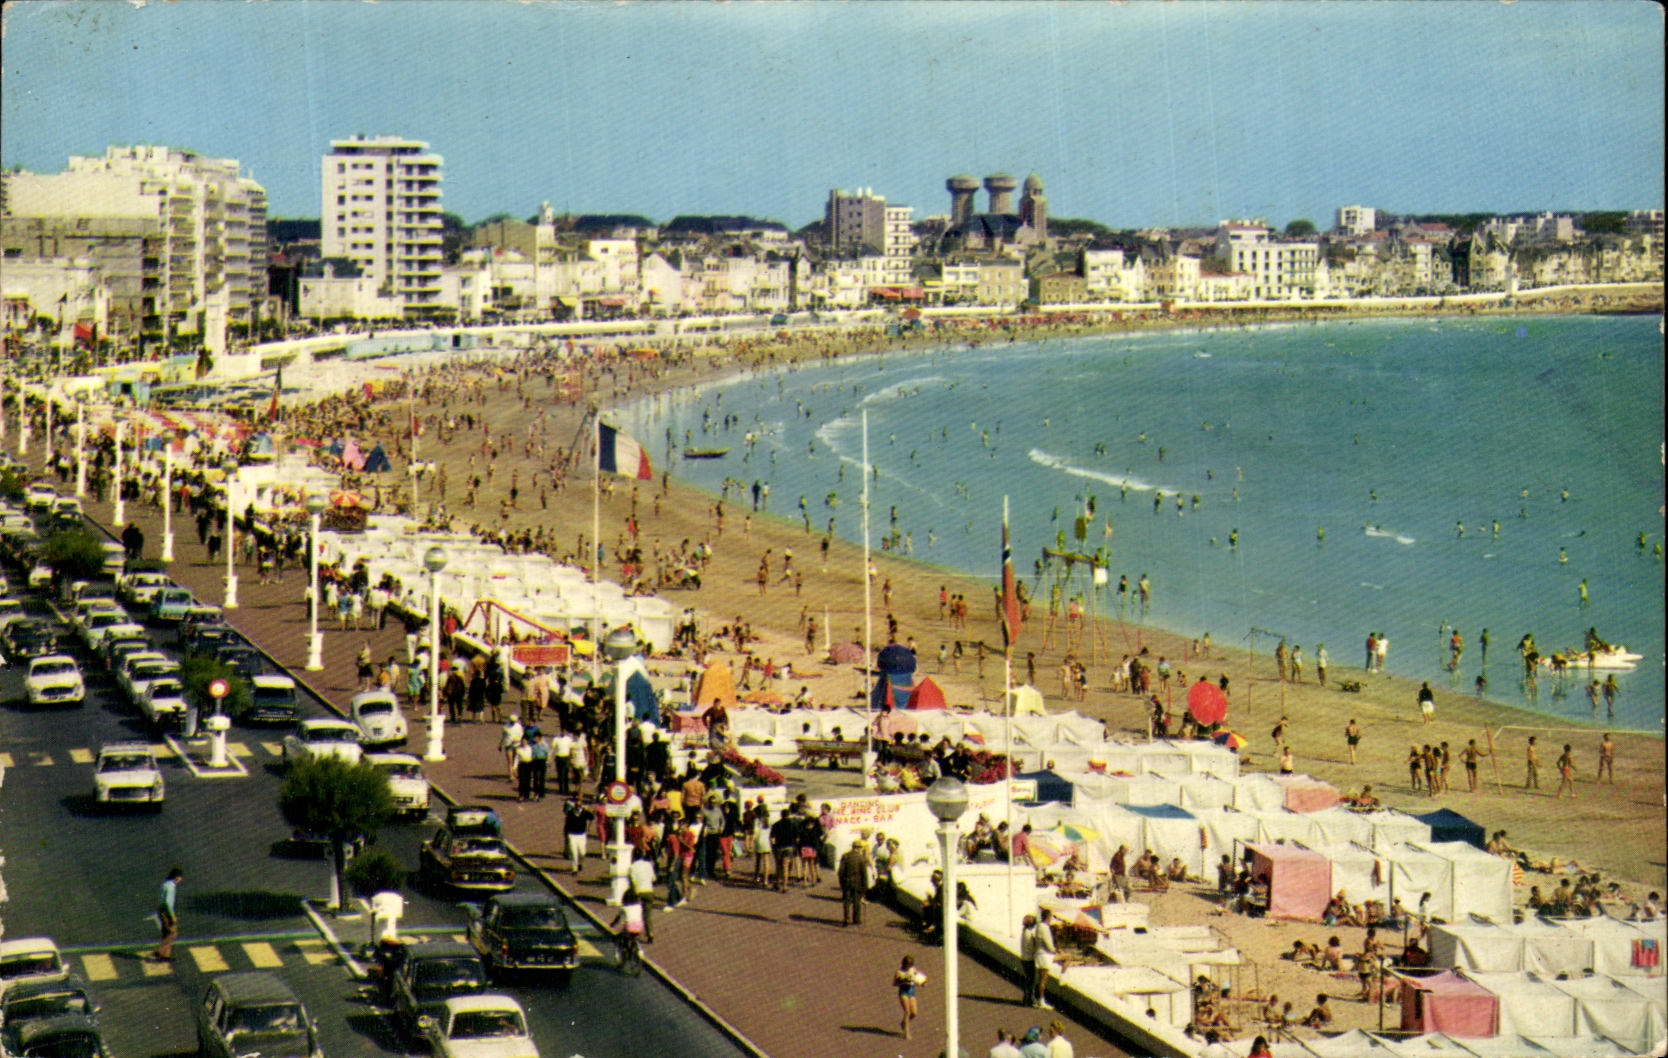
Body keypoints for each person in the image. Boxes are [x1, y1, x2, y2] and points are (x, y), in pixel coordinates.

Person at [152, 867, 183, 961]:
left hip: (161, 910)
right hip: (166, 912)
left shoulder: (165, 884)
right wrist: (172, 916)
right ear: (177, 877)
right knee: (172, 933)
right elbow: (168, 903)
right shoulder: (170, 887)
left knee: (166, 933)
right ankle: (159, 951)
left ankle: (165, 955)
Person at [838, 838, 871, 926]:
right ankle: (856, 919)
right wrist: (865, 887)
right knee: (857, 901)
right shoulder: (861, 858)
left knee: (846, 901)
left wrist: (841, 882)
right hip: (857, 882)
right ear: (860, 848)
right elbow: (864, 874)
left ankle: (846, 918)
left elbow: (840, 872)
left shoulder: (845, 856)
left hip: (847, 881)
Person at [894, 955, 925, 1039]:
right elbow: (895, 983)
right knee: (907, 1011)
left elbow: (920, 977)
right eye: (908, 965)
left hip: (911, 991)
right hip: (903, 992)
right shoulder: (899, 972)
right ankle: (906, 1033)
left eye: (910, 965)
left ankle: (904, 1022)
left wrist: (921, 981)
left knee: (914, 1012)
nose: (909, 967)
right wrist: (902, 981)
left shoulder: (913, 969)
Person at [1032, 908, 1058, 1009]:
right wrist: (1055, 950)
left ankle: (1038, 999)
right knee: (1043, 979)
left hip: (1040, 954)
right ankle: (1041, 1000)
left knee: (1041, 979)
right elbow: (1049, 944)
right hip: (1044, 955)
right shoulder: (1044, 928)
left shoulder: (1040, 926)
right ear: (1048, 917)